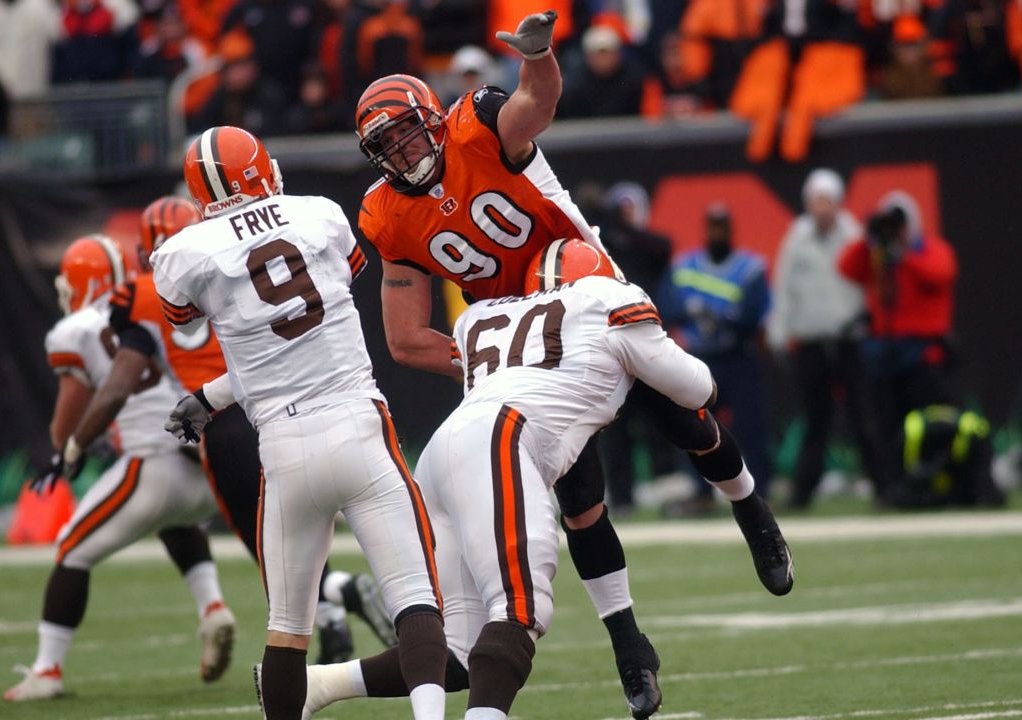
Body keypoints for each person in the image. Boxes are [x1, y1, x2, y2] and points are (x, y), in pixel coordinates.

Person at [352, 11, 791, 718]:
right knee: (580, 501)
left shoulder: (478, 122)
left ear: (433, 119)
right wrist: (487, 356)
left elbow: (538, 102)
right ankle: (629, 643)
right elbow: (405, 339)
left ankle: (751, 507)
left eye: (407, 131)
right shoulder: (386, 215)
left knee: (686, 419)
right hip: (519, 342)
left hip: (585, 290)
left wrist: (540, 55)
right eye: (387, 145)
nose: (403, 151)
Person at [279, 239, 784, 720]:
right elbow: (699, 388)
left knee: (459, 648)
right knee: (520, 610)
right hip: (502, 440)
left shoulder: (480, 317)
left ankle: (317, 685)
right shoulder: (609, 298)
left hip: (441, 452)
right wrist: (642, 368)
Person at [153, 126, 448, 720]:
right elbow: (310, 321)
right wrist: (214, 396)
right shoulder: (317, 215)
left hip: (284, 450)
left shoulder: (183, 253)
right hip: (359, 429)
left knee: (287, 629)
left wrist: (208, 395)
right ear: (263, 169)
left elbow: (216, 333)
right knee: (416, 603)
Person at [48, 196, 393, 664]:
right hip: (282, 405)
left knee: (275, 552)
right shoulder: (233, 268)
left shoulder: (144, 293)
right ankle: (338, 625)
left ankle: (342, 592)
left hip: (221, 422)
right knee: (301, 533)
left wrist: (74, 447)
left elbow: (123, 375)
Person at [4, 235, 230, 702]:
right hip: (202, 461)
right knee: (177, 522)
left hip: (152, 465)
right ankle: (212, 606)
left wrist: (72, 445)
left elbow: (67, 425)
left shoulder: (78, 329)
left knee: (72, 548)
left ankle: (47, 670)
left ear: (83, 283)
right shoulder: (149, 303)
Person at [769, 169, 890, 509]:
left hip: (848, 338)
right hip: (811, 341)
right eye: (816, 201)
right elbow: (784, 287)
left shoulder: (854, 235)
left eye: (828, 201)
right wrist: (781, 330)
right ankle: (802, 492)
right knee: (815, 421)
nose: (822, 208)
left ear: (838, 203)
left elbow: (872, 281)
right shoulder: (797, 237)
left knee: (862, 417)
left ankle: (883, 486)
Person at [658, 203, 772, 512]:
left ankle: (760, 490)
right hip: (700, 357)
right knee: (697, 429)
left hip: (737, 356)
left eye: (722, 227)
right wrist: (696, 316)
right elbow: (667, 309)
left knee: (750, 427)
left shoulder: (750, 267)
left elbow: (751, 316)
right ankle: (701, 493)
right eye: (713, 227)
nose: (717, 233)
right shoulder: (685, 267)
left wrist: (719, 318)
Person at [838, 192, 958, 453]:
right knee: (886, 419)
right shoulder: (877, 256)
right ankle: (893, 480)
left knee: (929, 416)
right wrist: (868, 238)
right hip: (885, 349)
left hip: (923, 351)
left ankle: (935, 469)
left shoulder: (929, 250)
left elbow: (941, 273)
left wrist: (903, 254)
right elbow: (846, 267)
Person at [596, 182, 676, 513]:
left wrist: (625, 227)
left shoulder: (647, 246)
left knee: (658, 420)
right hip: (611, 345)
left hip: (646, 341)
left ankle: (667, 492)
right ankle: (622, 495)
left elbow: (661, 247)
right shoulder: (605, 245)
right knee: (615, 426)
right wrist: (607, 221)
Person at [555, 24, 644, 119]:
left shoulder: (633, 80)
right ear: (588, 56)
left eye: (607, 53)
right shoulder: (573, 85)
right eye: (598, 54)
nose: (603, 59)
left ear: (618, 55)